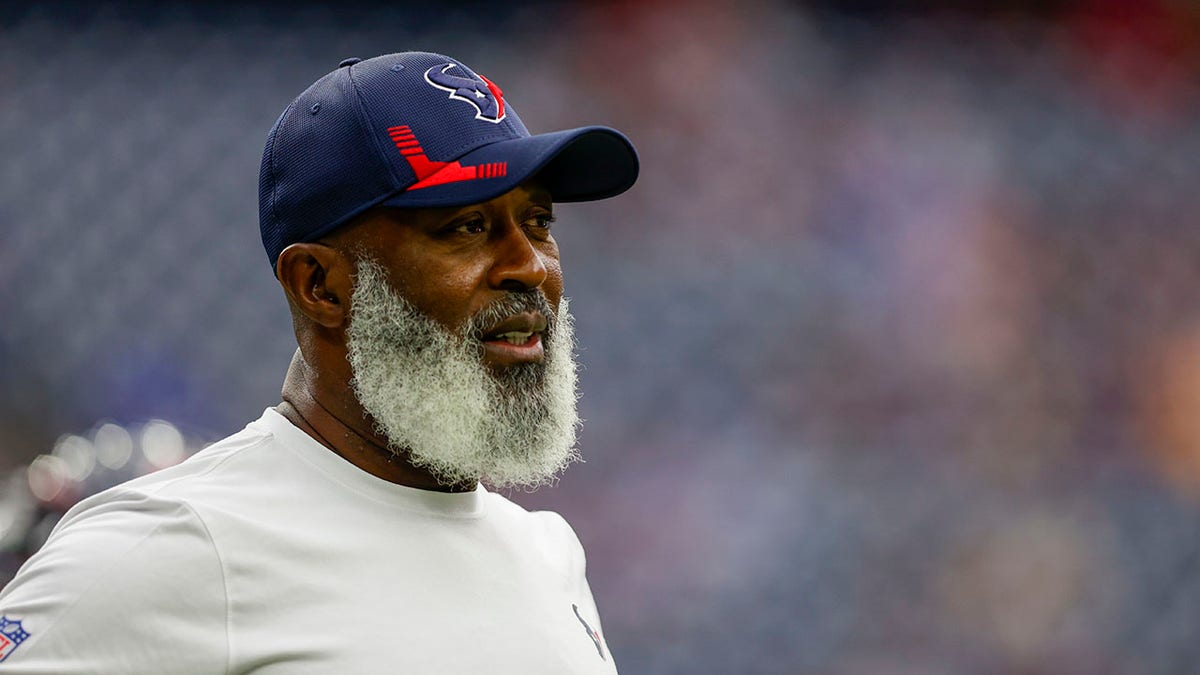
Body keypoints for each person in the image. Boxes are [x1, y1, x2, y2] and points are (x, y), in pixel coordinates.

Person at [0, 51, 638, 673]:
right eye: (467, 226)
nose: (530, 265)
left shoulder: (547, 554)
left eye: (537, 221)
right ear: (321, 286)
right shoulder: (185, 543)